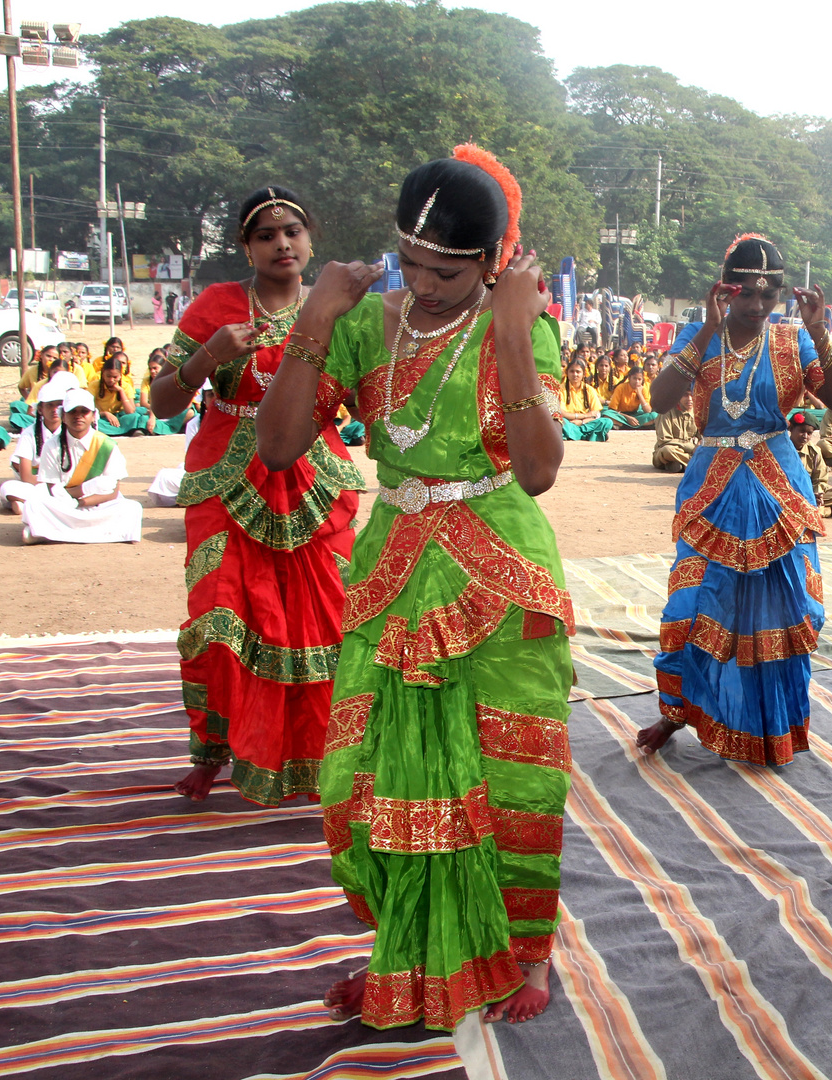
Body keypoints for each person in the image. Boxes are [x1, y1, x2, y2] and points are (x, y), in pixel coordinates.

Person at [255, 146, 574, 1031]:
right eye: (414, 263)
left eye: (451, 270)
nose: (428, 286)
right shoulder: (363, 323)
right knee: (364, 775)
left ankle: (523, 950)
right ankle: (406, 938)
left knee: (508, 773)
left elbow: (540, 469)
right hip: (391, 565)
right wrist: (317, 315)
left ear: (492, 261)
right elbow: (278, 449)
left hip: (496, 569)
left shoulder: (522, 323)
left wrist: (510, 325)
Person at [148, 184, 365, 808]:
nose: (282, 244)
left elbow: (364, 393)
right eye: (266, 235)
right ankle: (215, 752)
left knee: (321, 618)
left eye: (292, 232)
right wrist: (204, 360)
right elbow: (163, 404)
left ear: (310, 239)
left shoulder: (334, 309)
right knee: (221, 614)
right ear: (246, 246)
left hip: (313, 476)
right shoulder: (216, 305)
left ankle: (330, 758)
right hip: (227, 473)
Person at [636, 233, 832, 765]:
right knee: (695, 600)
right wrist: (709, 328)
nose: (757, 307)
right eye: (746, 295)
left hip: (778, 482)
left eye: (768, 296)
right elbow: (659, 399)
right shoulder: (700, 332)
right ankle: (679, 710)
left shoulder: (793, 340)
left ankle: (772, 728)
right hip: (713, 485)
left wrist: (820, 332)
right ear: (725, 290)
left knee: (785, 602)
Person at [20, 386, 143, 544]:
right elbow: (53, 490)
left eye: (84, 412)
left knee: (132, 508)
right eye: (72, 412)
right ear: (63, 416)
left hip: (98, 506)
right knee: (34, 504)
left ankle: (48, 532)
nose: (78, 416)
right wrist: (76, 497)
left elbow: (112, 492)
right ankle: (104, 534)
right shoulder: (52, 446)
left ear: (93, 416)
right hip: (63, 506)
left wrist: (80, 501)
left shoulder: (106, 445)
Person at [0, 373, 71, 512]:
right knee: (8, 487)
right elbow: (26, 477)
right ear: (40, 409)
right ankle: (42, 503)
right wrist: (52, 485)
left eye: (59, 405)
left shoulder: (71, 431)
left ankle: (27, 505)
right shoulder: (29, 433)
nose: (54, 410)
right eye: (49, 405)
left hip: (66, 485)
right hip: (38, 485)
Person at [148, 382, 214, 507]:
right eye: (211, 395)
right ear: (204, 399)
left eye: (218, 395)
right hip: (202, 474)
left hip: (228, 472)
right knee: (165, 476)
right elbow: (192, 460)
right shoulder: (195, 424)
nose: (215, 399)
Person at [788, 411, 832, 518]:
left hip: (809, 494)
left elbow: (820, 478)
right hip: (787, 494)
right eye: (801, 431)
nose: (805, 436)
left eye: (809, 433)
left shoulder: (814, 451)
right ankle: (827, 511)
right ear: (791, 428)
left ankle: (812, 509)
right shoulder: (781, 451)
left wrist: (818, 494)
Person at [559, 356, 613, 441]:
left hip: (585, 423)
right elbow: (562, 413)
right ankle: (589, 435)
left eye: (578, 372)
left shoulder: (589, 389)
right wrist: (584, 415)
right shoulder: (561, 389)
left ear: (584, 374)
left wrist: (582, 422)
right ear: (567, 373)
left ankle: (576, 434)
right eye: (572, 371)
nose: (575, 374)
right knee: (560, 422)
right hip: (569, 421)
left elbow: (596, 413)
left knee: (607, 422)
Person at [90, 355, 142, 436]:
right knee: (93, 421)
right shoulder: (94, 385)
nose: (111, 380)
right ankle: (126, 430)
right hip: (101, 417)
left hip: (120, 417)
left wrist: (121, 391)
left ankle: (117, 430)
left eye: (115, 377)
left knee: (135, 416)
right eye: (108, 376)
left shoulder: (125, 386)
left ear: (120, 375)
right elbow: (88, 409)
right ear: (103, 373)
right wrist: (105, 414)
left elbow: (130, 411)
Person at [652, 389, 700, 473]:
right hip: (671, 450)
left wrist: (700, 445)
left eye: (692, 395)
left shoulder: (698, 413)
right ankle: (695, 463)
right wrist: (691, 448)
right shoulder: (666, 412)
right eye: (685, 395)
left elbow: (703, 437)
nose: (689, 399)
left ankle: (678, 464)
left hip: (689, 451)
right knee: (668, 450)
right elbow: (664, 440)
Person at [603, 364, 657, 428]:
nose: (637, 381)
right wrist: (628, 418)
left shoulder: (643, 389)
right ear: (629, 378)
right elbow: (612, 409)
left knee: (654, 415)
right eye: (634, 378)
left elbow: (648, 411)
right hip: (621, 415)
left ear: (642, 380)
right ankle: (630, 425)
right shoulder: (621, 388)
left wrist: (639, 394)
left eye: (639, 379)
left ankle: (623, 425)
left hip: (636, 415)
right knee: (607, 414)